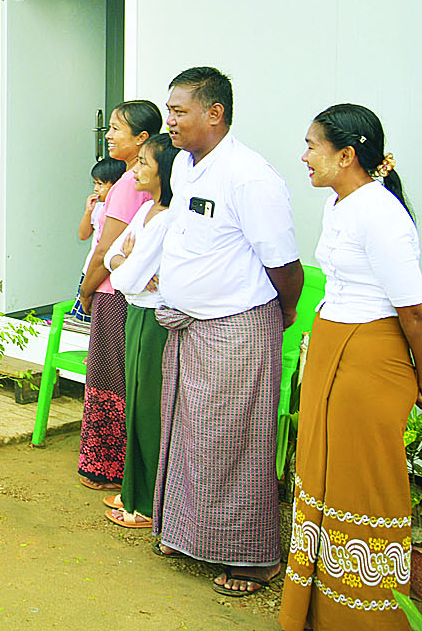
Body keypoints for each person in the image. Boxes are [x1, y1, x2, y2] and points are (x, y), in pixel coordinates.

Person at [153, 66, 303, 596]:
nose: (170, 121)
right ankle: (188, 534)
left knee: (234, 442)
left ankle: (254, 559)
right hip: (191, 328)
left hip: (236, 330)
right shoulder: (185, 166)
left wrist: (280, 314)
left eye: (179, 111)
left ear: (214, 113)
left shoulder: (250, 177)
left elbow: (284, 266)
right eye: (169, 110)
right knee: (192, 434)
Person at [279, 105, 422, 629]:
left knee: (362, 483)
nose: (304, 156)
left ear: (346, 155)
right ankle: (318, 610)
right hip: (334, 350)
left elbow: (413, 311)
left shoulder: (381, 213)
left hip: (369, 359)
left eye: (312, 146)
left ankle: (368, 618)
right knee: (321, 474)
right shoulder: (340, 204)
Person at [75, 100, 162, 490]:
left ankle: (106, 468)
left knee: (108, 379)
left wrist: (85, 290)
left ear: (141, 138)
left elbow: (104, 250)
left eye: (116, 129)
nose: (108, 135)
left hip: (113, 293)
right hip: (132, 291)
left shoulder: (127, 184)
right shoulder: (145, 182)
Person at [100, 133, 179, 529]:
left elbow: (127, 277)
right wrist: (126, 263)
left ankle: (147, 503)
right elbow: (115, 259)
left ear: (165, 172)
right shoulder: (146, 209)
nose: (135, 170)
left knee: (150, 410)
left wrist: (126, 265)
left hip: (155, 320)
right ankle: (134, 489)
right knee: (135, 404)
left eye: (144, 163)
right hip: (137, 312)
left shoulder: (169, 218)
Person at [71, 157, 126, 323]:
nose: (96, 188)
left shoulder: (120, 209)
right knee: (87, 316)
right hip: (91, 267)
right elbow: (83, 234)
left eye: (101, 184)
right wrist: (88, 211)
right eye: (95, 183)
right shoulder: (98, 207)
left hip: (105, 271)